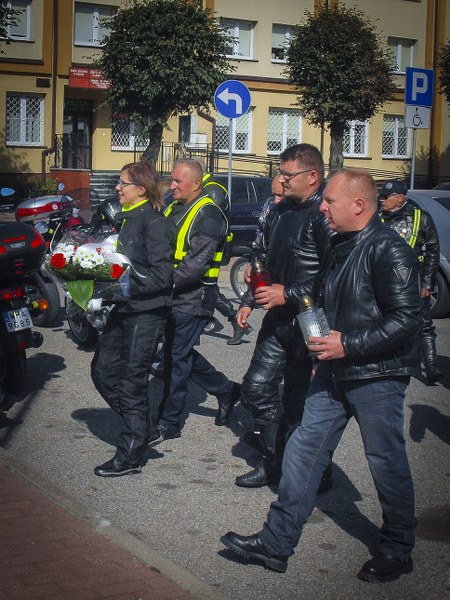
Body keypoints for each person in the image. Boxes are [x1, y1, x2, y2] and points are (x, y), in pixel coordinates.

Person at [221, 169, 423, 584]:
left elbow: (407, 319)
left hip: (377, 375)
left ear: (359, 205)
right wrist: (320, 347)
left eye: (330, 201)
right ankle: (275, 544)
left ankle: (398, 547)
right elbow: (320, 299)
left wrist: (348, 343)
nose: (324, 209)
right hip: (332, 369)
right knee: (302, 451)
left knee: (385, 461)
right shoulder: (339, 245)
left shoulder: (390, 250)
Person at [234, 144, 333, 489]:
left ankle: (315, 468)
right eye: (280, 172)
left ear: (312, 176)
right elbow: (263, 256)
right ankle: (276, 460)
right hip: (278, 320)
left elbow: (333, 278)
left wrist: (287, 293)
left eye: (288, 174)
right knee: (255, 388)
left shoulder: (325, 215)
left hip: (311, 321)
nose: (281, 179)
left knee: (301, 401)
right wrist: (251, 295)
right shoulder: (279, 211)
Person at [91, 161, 175, 477]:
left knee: (131, 381)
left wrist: (121, 280)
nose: (117, 187)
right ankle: (143, 428)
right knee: (102, 371)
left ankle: (130, 455)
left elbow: (162, 276)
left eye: (122, 183)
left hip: (146, 312)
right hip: (123, 308)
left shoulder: (155, 223)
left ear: (141, 189)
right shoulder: (125, 218)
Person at [149, 159, 241, 445]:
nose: (172, 185)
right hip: (172, 293)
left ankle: (170, 421)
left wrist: (157, 284)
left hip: (194, 297)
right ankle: (226, 390)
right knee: (178, 352)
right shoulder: (173, 207)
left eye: (178, 181)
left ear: (196, 183)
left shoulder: (209, 215)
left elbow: (194, 266)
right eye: (172, 180)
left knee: (176, 357)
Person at [379, 179, 443, 383]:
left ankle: (431, 367)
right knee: (387, 321)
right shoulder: (378, 219)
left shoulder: (421, 217)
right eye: (381, 196)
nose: (382, 200)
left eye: (386, 196)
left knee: (424, 324)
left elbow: (433, 250)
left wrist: (427, 283)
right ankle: (393, 363)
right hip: (387, 280)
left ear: (400, 198)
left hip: (415, 279)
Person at [202, 172, 253, 345]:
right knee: (208, 289)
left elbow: (212, 222)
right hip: (207, 249)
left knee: (209, 288)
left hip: (211, 251)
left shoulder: (212, 190)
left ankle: (236, 321)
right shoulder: (208, 188)